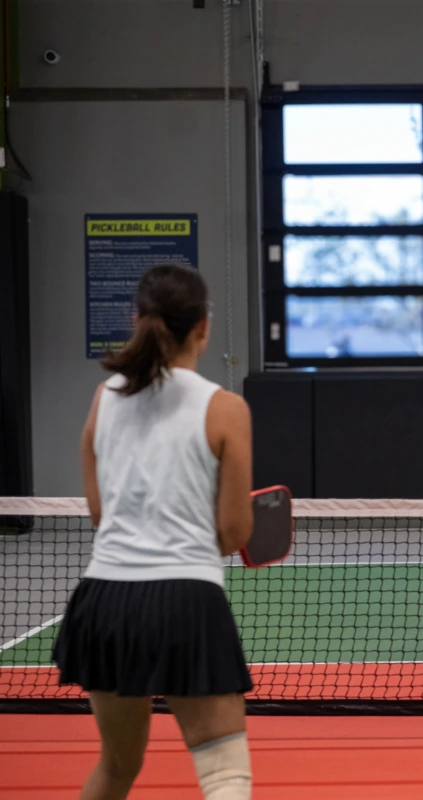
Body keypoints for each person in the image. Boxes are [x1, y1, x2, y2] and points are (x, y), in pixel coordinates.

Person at [53, 265, 255, 800]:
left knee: (117, 767)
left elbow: (102, 514)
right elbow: (234, 530)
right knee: (225, 773)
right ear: (203, 329)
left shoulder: (105, 397)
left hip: (104, 602)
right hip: (186, 598)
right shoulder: (226, 408)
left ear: (136, 320)